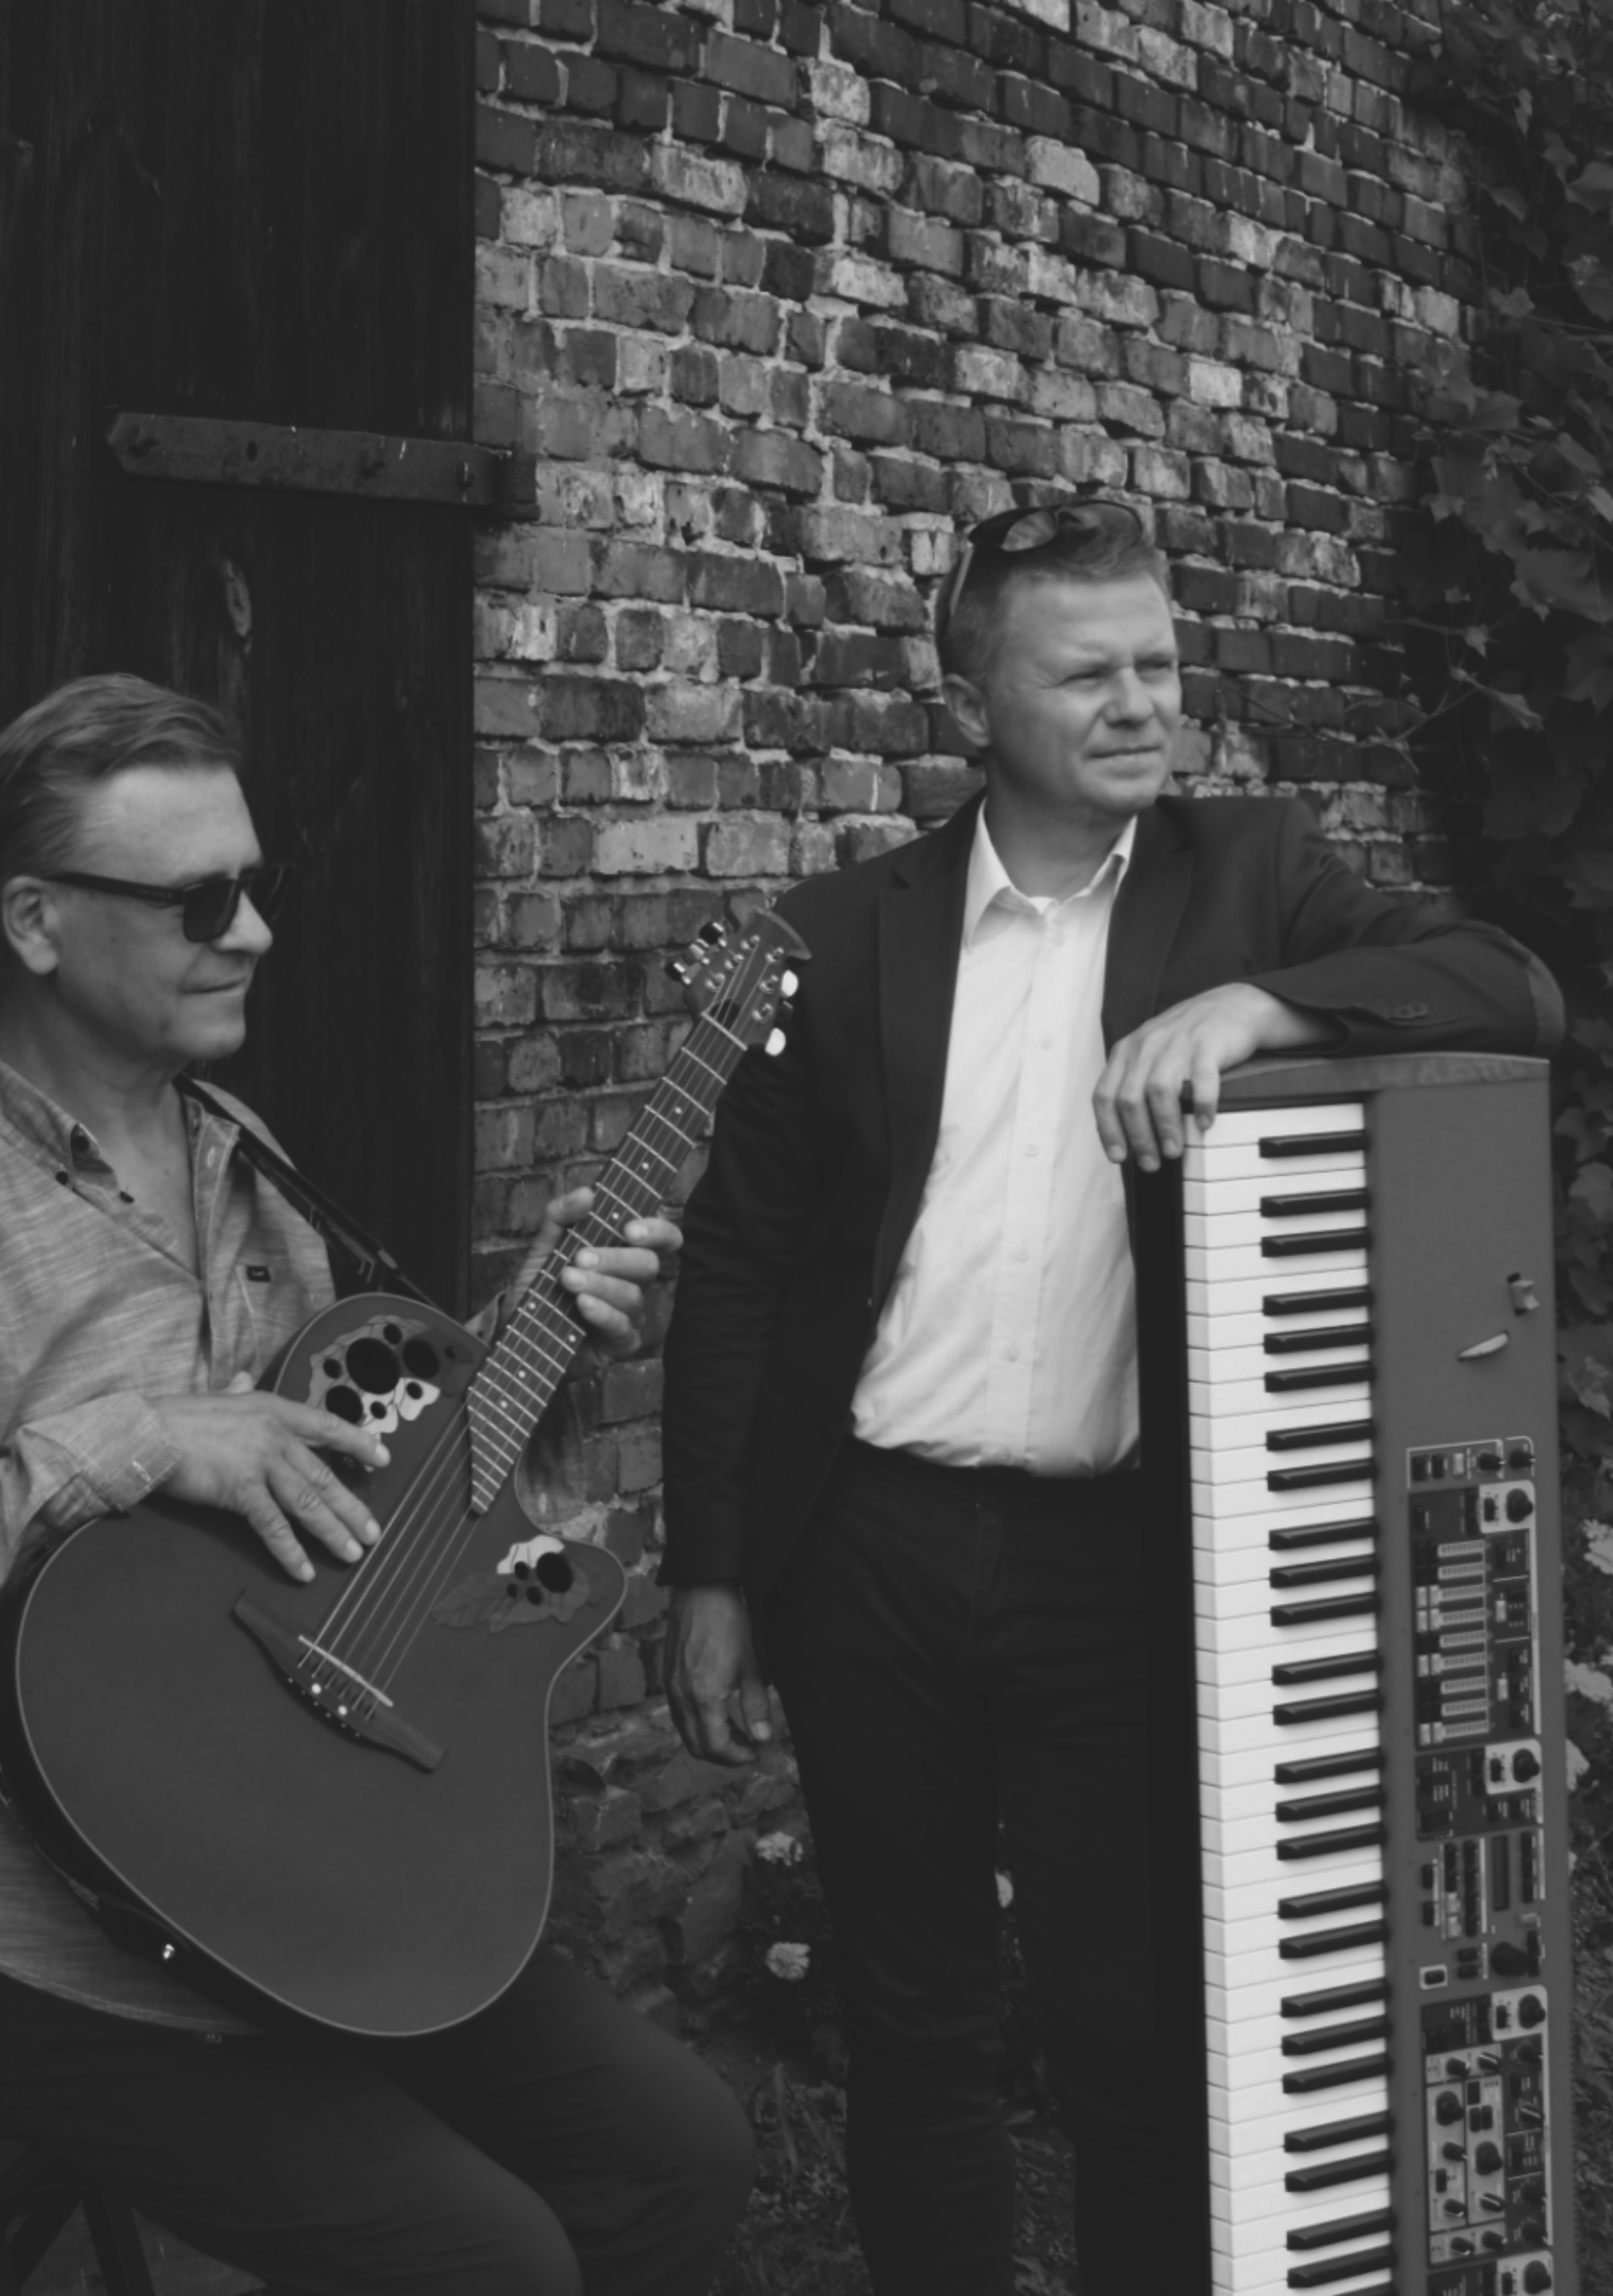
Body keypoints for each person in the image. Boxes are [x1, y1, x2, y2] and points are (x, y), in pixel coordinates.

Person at [657, 499, 1563, 2296]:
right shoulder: (833, 935)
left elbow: (1508, 990)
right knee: (911, 2018)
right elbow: (737, 1273)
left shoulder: (1252, 876)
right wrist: (712, 1572)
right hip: (869, 1546)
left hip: (1126, 1561)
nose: (1141, 702)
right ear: (970, 699)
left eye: (1157, 662)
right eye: (1086, 674)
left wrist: (1259, 1012)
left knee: (1136, 2035)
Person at [0, 674, 753, 2296]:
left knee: (680, 2151)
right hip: (43, 1944)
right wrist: (129, 1441)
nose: (256, 933)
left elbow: (363, 1501)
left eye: (255, 886)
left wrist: (529, 1340)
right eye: (200, 900)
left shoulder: (243, 1155)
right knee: (485, 2259)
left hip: (300, 1868)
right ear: (35, 922)